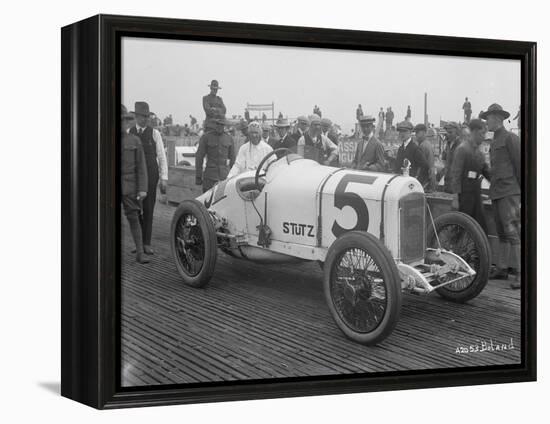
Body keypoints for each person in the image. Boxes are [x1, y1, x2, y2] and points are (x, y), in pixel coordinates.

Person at [481, 104, 521, 289]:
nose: (486, 122)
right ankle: (503, 269)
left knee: (513, 233)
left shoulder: (510, 138)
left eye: (488, 118)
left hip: (509, 192)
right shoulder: (495, 140)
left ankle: (521, 274)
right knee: (502, 233)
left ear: (497, 119)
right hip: (497, 192)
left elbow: (520, 166)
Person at [129, 102, 168, 256]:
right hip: (134, 176)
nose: (144, 119)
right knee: (135, 209)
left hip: (151, 175)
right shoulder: (129, 132)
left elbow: (162, 157)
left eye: (146, 117)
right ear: (136, 116)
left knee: (148, 208)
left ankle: (146, 243)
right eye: (141, 116)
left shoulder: (155, 134)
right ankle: (138, 242)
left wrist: (164, 178)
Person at [449, 119, 490, 233]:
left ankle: (479, 251)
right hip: (464, 197)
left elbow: (487, 172)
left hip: (476, 195)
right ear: (475, 132)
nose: (483, 137)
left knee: (481, 229)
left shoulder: (479, 153)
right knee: (461, 229)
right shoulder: (462, 149)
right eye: (482, 134)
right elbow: (456, 174)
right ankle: (454, 249)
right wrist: (455, 198)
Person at [121, 105, 149, 264]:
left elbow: (141, 167)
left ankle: (140, 252)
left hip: (130, 187)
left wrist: (143, 189)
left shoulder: (134, 141)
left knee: (134, 218)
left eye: (124, 121)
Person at [195, 116, 236, 192]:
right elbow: (199, 157)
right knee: (207, 201)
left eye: (222, 124)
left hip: (224, 178)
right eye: (217, 124)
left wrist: (233, 177)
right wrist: (198, 176)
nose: (219, 126)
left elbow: (233, 159)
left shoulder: (229, 138)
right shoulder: (206, 137)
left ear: (224, 125)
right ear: (214, 124)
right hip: (210, 177)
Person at [440, 121, 461, 193]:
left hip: (457, 184)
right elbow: (444, 159)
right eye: (447, 132)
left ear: (457, 133)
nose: (448, 134)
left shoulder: (461, 145)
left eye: (451, 132)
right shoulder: (448, 145)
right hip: (447, 181)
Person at [415, 123, 436, 191]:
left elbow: (422, 167)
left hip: (425, 180)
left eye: (417, 132)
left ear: (424, 133)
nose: (416, 135)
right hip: (430, 178)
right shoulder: (427, 144)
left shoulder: (423, 146)